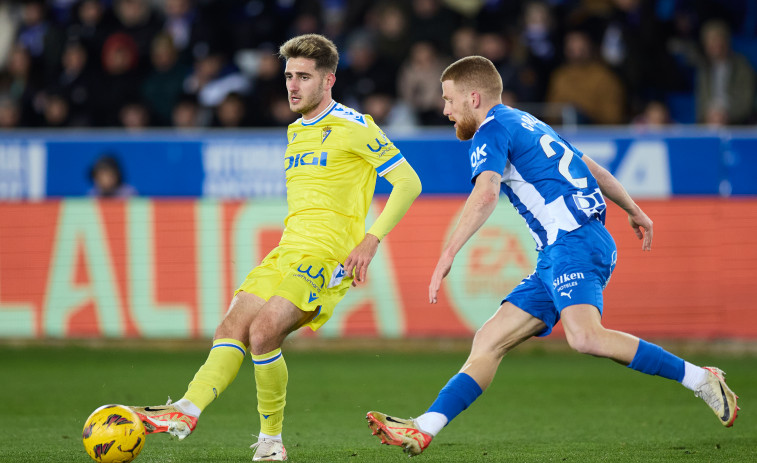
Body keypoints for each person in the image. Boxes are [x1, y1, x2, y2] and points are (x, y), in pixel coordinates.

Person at [365, 56, 739, 457]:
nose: (445, 110)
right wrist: (633, 208)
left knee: (585, 337)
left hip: (573, 241)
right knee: (489, 340)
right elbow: (592, 168)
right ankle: (424, 428)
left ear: (473, 97)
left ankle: (700, 378)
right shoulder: (528, 122)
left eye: (449, 100)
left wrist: (448, 253)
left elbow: (487, 192)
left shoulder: (490, 131)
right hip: (562, 249)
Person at [128, 33, 422, 461]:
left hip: (326, 258)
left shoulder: (356, 127)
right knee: (231, 328)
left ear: (329, 81)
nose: (293, 86)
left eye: (304, 76)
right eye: (288, 76)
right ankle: (185, 411)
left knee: (263, 332)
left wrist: (370, 240)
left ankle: (270, 442)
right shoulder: (295, 132)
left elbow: (408, 182)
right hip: (286, 251)